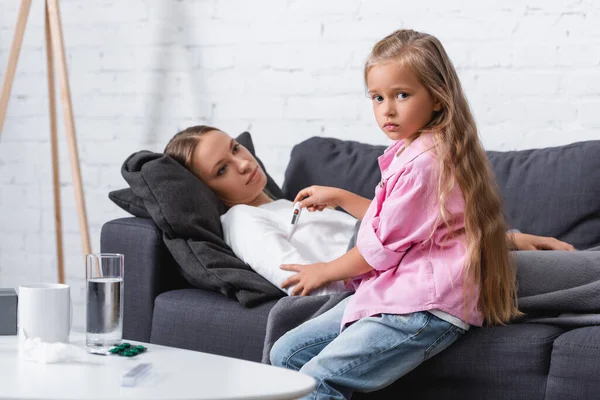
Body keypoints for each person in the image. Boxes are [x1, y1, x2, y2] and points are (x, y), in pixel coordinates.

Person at [265, 29, 571, 399]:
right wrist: (342, 197)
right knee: (286, 352)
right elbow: (400, 224)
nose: (387, 109)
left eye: (402, 95)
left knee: (319, 379)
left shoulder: (425, 163)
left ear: (437, 99)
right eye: (377, 97)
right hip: (394, 294)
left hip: (421, 308)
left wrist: (324, 271)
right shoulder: (410, 151)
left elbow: (380, 248)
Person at [163, 125, 574, 299]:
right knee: (558, 280)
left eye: (235, 148)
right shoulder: (242, 221)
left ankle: (509, 242)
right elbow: (301, 282)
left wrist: (342, 197)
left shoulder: (288, 203)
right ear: (208, 191)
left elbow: (394, 225)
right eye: (222, 169)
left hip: (409, 248)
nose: (243, 163)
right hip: (392, 270)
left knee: (556, 266)